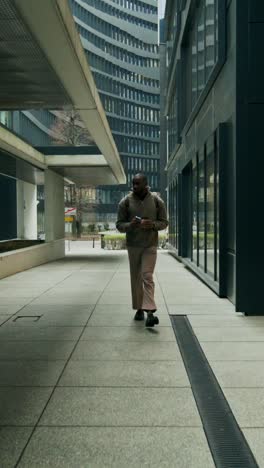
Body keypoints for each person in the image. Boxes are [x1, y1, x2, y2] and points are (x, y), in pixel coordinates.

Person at [116, 173, 168, 327]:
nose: (134, 186)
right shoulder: (125, 202)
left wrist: (151, 224)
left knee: (147, 275)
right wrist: (130, 225)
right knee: (136, 278)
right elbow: (119, 225)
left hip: (150, 245)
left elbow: (164, 222)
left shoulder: (157, 201)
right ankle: (139, 308)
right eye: (133, 184)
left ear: (146, 184)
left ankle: (150, 311)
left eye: (138, 183)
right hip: (133, 245)